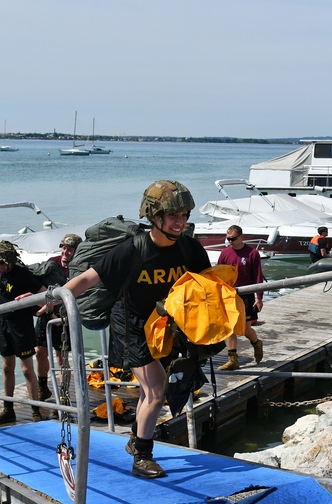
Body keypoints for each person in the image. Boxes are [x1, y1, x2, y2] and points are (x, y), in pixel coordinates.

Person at [40, 180, 211, 479]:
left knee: (151, 390)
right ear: (154, 216)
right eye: (173, 215)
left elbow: (208, 284)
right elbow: (88, 279)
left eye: (184, 215)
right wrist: (58, 298)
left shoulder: (190, 249)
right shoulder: (132, 250)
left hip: (164, 326)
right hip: (130, 325)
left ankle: (137, 437)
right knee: (157, 390)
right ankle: (142, 456)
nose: (180, 222)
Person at [0, 241, 46, 425]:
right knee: (7, 367)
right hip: (4, 322)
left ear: (10, 261)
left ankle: (36, 409)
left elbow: (44, 294)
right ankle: (8, 409)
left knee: (27, 369)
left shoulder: (22, 274)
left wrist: (30, 298)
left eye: (2, 264)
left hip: (21, 325)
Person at [32, 233, 82, 404]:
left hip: (65, 317)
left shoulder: (79, 268)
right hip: (46, 315)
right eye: (64, 247)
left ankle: (64, 393)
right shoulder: (52, 263)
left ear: (77, 251)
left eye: (70, 249)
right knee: (39, 352)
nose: (65, 251)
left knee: (62, 358)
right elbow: (34, 281)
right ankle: (42, 386)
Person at [216, 225, 265, 370]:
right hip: (229, 295)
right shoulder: (225, 253)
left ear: (241, 237)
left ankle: (257, 343)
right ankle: (233, 359)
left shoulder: (252, 253)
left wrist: (259, 297)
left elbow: (258, 276)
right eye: (228, 238)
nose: (230, 241)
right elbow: (218, 274)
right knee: (229, 328)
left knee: (244, 329)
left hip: (247, 294)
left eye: (233, 238)